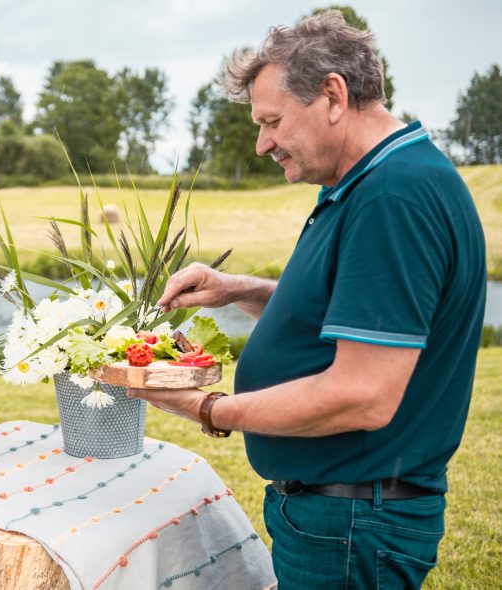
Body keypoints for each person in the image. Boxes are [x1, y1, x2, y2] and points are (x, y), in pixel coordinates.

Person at [129, 11, 486, 589]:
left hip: (352, 520)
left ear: (333, 95)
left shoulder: (391, 197)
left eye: (272, 121)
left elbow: (362, 395)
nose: (262, 141)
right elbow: (353, 316)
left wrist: (207, 410)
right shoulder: (371, 181)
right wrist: (238, 290)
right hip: (343, 512)